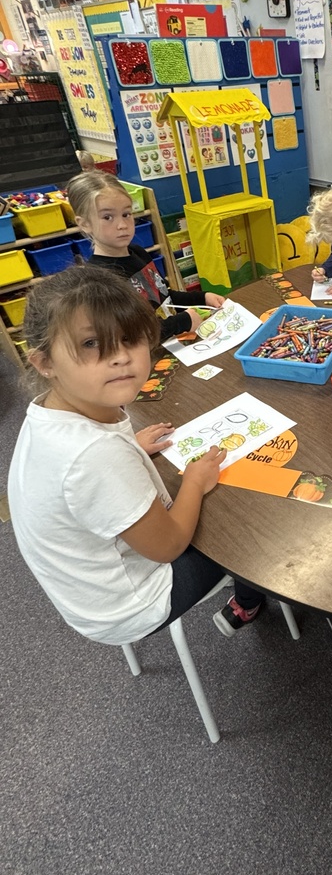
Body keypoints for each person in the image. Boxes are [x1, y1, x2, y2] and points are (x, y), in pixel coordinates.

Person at [7, 265, 264, 644]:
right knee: (246, 520)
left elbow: (82, 477)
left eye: (130, 338)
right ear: (45, 364)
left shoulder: (54, 411)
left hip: (92, 591)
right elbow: (169, 546)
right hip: (133, 604)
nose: (120, 357)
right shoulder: (94, 455)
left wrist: (130, 448)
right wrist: (193, 481)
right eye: (91, 344)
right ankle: (249, 599)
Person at [68, 171, 225, 343]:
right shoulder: (98, 281)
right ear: (85, 224)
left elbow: (163, 296)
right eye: (107, 217)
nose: (122, 225)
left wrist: (202, 297)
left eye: (126, 214)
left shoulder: (138, 252)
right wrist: (183, 321)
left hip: (175, 343)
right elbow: (131, 337)